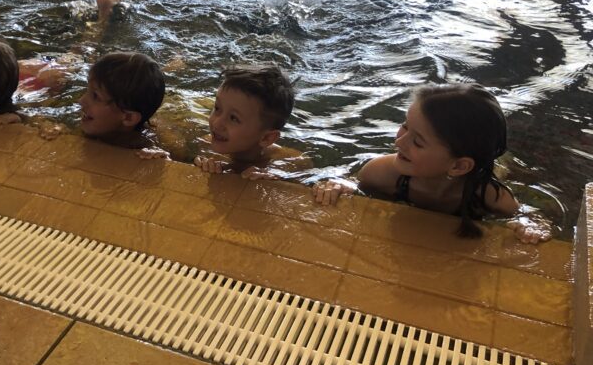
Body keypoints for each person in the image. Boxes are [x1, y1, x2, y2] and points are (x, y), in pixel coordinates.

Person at [312, 84, 551, 243]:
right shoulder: (383, 172)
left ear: (458, 166)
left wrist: (527, 224)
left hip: (477, 171)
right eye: (405, 126)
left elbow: (528, 216)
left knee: (500, 168)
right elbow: (353, 183)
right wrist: (343, 184)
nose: (399, 142)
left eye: (417, 142)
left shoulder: (487, 194)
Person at [194, 65, 301, 178]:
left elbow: (317, 185)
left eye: (233, 118)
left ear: (266, 138)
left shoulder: (292, 161)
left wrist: (277, 176)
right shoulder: (204, 144)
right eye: (217, 108)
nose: (216, 123)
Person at [77, 51, 166, 154]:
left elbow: (170, 159)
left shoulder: (143, 143)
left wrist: (157, 155)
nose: (81, 100)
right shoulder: (94, 121)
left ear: (128, 117)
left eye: (96, 96)